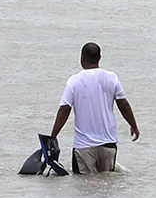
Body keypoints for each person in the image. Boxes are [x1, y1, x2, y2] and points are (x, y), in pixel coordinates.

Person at [50, 42, 138, 173]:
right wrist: (134, 126)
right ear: (99, 58)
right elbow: (123, 105)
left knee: (82, 188)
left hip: (84, 146)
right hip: (108, 144)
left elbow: (64, 110)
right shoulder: (112, 78)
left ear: (82, 58)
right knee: (106, 186)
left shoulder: (74, 81)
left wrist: (53, 137)